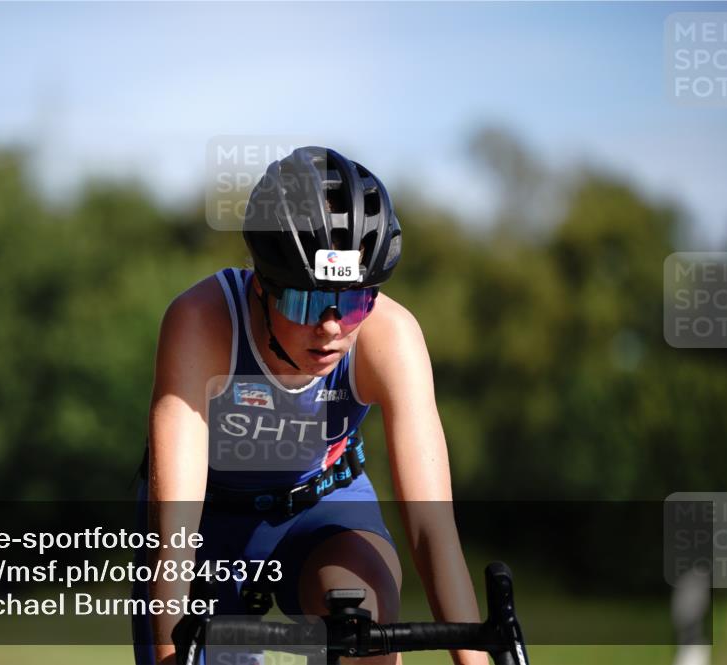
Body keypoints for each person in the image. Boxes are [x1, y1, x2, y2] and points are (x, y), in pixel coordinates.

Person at [132, 146, 487, 665]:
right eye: (304, 300)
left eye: (354, 301)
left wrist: (475, 659)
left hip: (323, 508)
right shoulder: (201, 322)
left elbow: (433, 529)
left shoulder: (392, 335)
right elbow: (176, 531)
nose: (331, 327)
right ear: (262, 286)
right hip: (205, 526)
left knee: (362, 629)